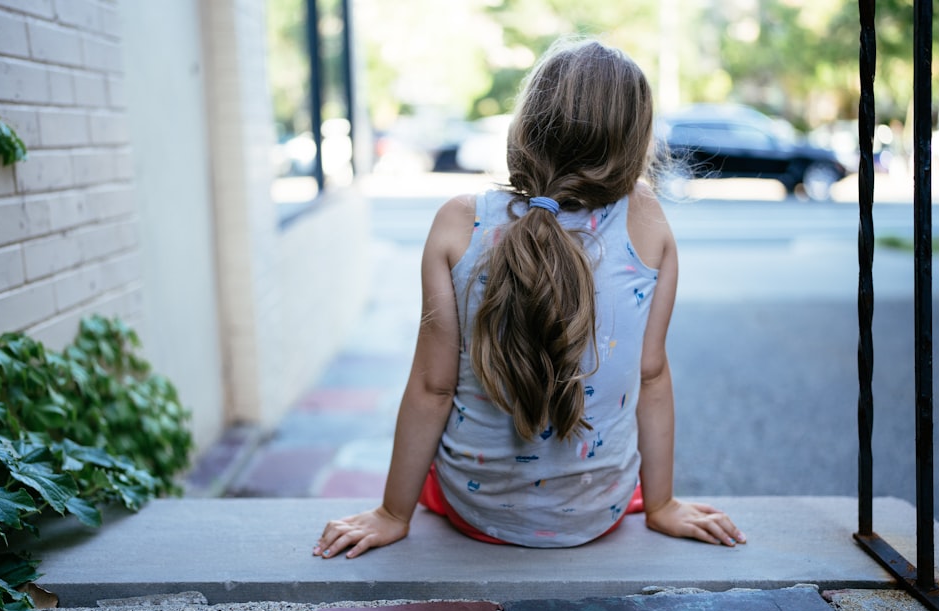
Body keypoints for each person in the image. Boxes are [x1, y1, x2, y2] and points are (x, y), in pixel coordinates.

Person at [313, 38, 745, 559]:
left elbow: (432, 388)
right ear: (634, 141)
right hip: (597, 511)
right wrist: (662, 504)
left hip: (477, 512)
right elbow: (650, 376)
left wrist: (391, 514)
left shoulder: (460, 221)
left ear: (526, 125)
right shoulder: (644, 218)